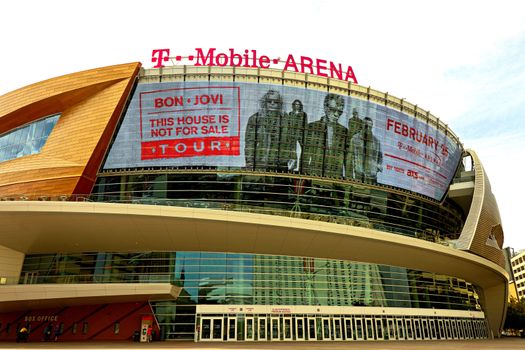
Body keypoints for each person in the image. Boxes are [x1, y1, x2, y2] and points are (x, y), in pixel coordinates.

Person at [244, 90, 299, 172]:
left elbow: (292, 142)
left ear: (280, 104)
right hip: (260, 162)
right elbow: (250, 142)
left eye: (275, 102)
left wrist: (293, 158)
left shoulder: (287, 120)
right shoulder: (255, 119)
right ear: (265, 103)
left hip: (280, 164)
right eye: (269, 101)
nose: (272, 103)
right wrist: (249, 161)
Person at [301, 93, 348, 178]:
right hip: (314, 176)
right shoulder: (312, 127)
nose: (336, 115)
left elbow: (347, 160)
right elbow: (305, 156)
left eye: (340, 111)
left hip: (335, 179)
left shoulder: (344, 131)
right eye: (333, 110)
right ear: (325, 108)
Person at [348, 117, 383, 184]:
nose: (368, 128)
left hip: (372, 176)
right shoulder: (355, 139)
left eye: (370, 126)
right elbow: (350, 156)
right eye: (366, 126)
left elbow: (380, 156)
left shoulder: (376, 141)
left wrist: (377, 167)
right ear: (362, 125)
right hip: (359, 174)